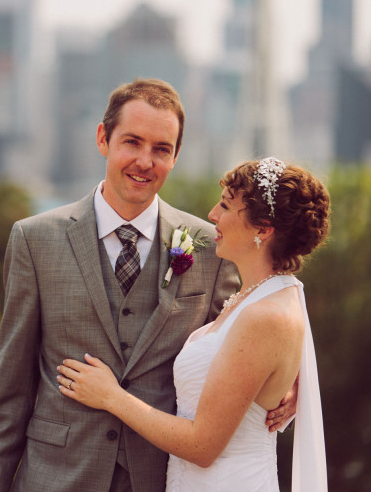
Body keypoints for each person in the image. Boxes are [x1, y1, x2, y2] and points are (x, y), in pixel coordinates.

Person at [0, 79, 294, 492]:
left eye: (161, 149)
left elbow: (248, 332)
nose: (145, 161)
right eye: (132, 142)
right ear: (103, 139)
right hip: (56, 477)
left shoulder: (212, 248)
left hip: (160, 477)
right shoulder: (35, 240)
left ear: (175, 156)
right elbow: (8, 395)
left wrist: (290, 382)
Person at [58, 158, 329, 491]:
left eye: (227, 205)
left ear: (263, 228)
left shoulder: (266, 315)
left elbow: (202, 446)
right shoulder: (252, 298)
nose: (213, 214)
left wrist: (111, 396)